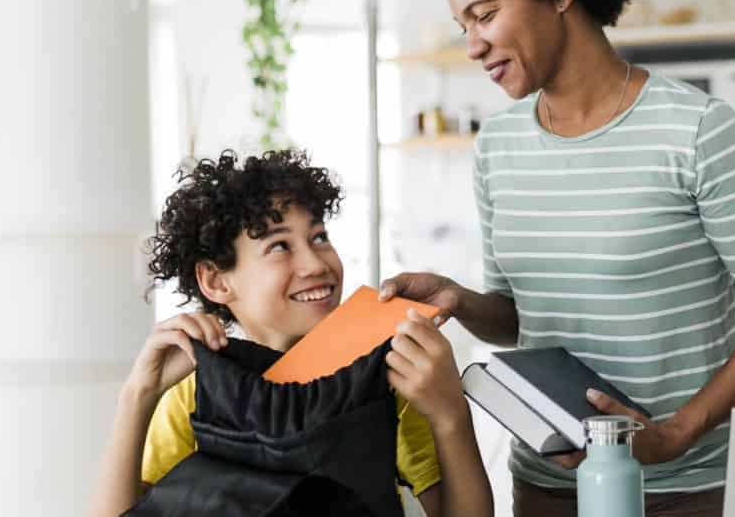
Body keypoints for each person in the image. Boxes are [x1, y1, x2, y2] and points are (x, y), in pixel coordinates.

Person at [383, 0, 735, 517]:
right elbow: (520, 318)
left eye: (485, 13)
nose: (472, 43)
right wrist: (462, 299)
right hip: (546, 485)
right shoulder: (498, 146)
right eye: (461, 25)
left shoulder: (698, 131)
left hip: (680, 490)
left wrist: (676, 432)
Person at [90, 150, 493, 517]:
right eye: (279, 246)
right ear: (215, 281)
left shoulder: (388, 378)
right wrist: (137, 394)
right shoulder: (192, 395)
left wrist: (450, 415)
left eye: (319, 237)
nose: (316, 263)